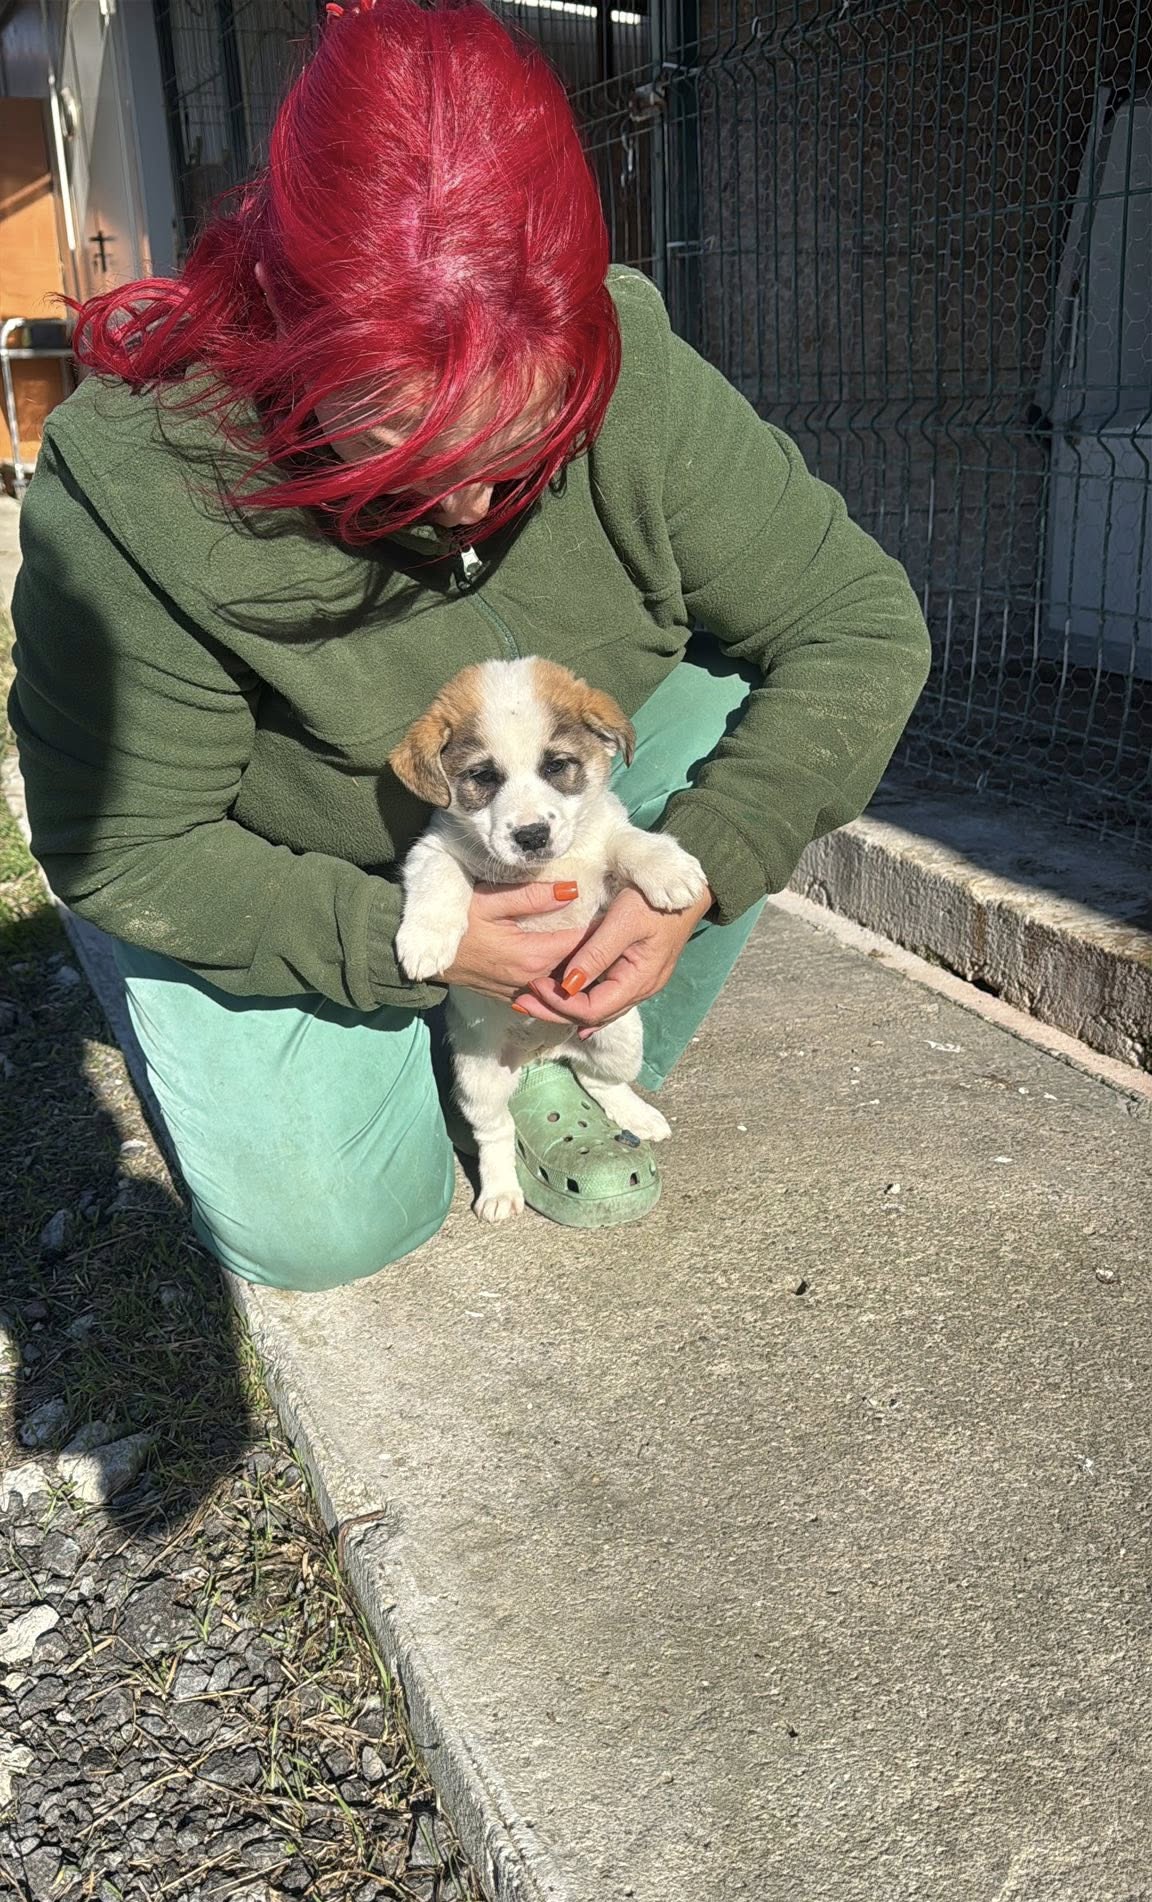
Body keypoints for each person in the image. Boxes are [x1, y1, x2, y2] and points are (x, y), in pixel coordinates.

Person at [9, 0, 931, 1290]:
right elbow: (124, 843)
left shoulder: (635, 367)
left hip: (551, 825)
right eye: (396, 442)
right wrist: (390, 936)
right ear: (287, 327)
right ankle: (377, 1023)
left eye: (523, 441)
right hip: (301, 866)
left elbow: (860, 623)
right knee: (324, 1234)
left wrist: (713, 860)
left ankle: (556, 1044)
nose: (466, 502)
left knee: (748, 699)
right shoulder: (135, 479)